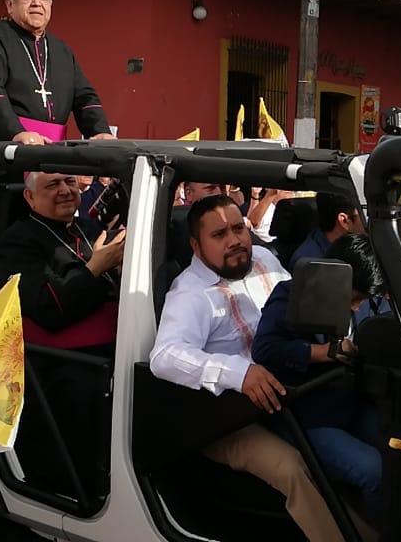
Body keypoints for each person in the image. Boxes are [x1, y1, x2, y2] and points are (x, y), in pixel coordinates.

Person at [150, 195, 342, 542]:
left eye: (239, 228)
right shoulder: (191, 294)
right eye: (219, 234)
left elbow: (299, 309)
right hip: (226, 417)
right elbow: (165, 356)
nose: (235, 240)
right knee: (292, 468)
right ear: (196, 245)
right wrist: (238, 373)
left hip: (290, 392)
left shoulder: (264, 259)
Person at [253, 233, 384, 513]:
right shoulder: (290, 294)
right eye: (356, 297)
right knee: (374, 470)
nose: (358, 306)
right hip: (307, 417)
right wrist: (322, 353)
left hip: (348, 403)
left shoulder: (364, 304)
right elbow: (264, 349)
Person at [0, 0, 113, 144]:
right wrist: (15, 133)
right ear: (10, 5)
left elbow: (85, 97)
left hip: (49, 153)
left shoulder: (61, 50)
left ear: (50, 5)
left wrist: (100, 131)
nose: (36, 3)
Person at [0, 171, 125, 353]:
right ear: (30, 196)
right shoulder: (17, 242)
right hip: (72, 360)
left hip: (121, 338)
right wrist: (95, 268)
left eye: (70, 181)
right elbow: (47, 309)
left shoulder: (88, 227)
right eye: (52, 185)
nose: (65, 190)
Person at [289, 192, 365, 269]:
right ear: (344, 221)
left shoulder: (353, 247)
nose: (368, 219)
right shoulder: (310, 264)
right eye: (363, 213)